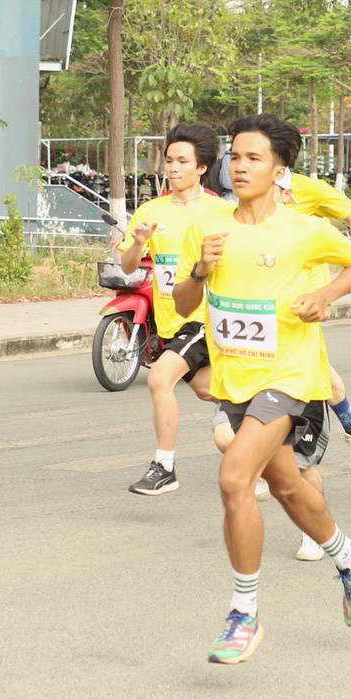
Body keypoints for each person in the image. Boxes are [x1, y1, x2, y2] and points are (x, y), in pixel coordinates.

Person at [172, 113, 351, 665]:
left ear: (280, 168)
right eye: (234, 157)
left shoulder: (302, 227)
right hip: (236, 380)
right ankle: (348, 557)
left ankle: (244, 613)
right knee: (287, 488)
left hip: (290, 377)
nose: (239, 167)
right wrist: (198, 269)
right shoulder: (211, 228)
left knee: (234, 477)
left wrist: (328, 294)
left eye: (253, 157)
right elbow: (184, 305)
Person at [122, 124, 231, 495]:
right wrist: (138, 243)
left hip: (203, 318)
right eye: (169, 160)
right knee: (209, 390)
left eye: (183, 161)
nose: (173, 168)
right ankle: (279, 410)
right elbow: (127, 266)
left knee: (158, 379)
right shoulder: (151, 210)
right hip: (169, 322)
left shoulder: (222, 211)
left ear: (201, 167)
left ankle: (164, 467)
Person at [276, 166, 351, 467]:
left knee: (307, 364)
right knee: (316, 366)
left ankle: (286, 450)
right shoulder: (251, 189)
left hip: (309, 295)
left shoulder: (310, 189)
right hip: (275, 288)